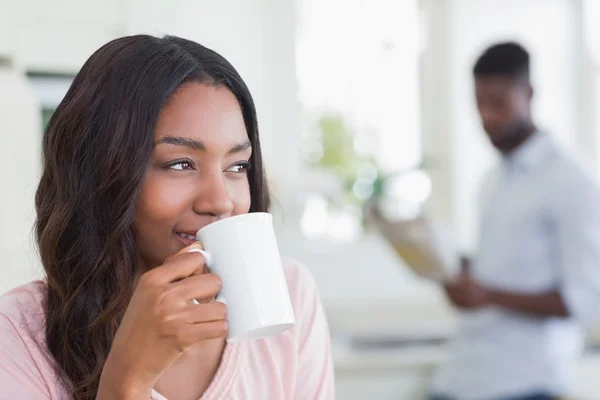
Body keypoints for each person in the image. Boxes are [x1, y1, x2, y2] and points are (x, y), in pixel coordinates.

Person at [0, 35, 334, 400]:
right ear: (99, 174)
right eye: (180, 164)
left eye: (237, 166)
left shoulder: (291, 294)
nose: (220, 202)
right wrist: (126, 380)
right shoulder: (16, 337)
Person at [431, 42, 600, 400]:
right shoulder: (492, 181)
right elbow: (501, 268)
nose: (487, 116)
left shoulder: (572, 180)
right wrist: (449, 268)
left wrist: (487, 295)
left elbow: (586, 299)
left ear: (529, 93)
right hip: (465, 377)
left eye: (498, 103)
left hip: (525, 382)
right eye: (479, 103)